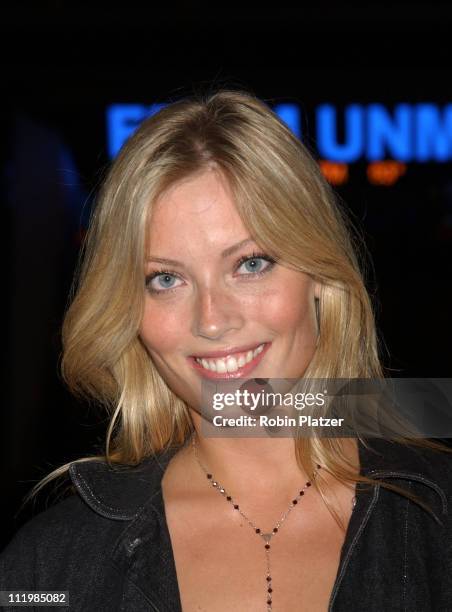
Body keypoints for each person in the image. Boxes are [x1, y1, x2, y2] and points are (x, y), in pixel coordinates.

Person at [1, 89, 451, 612]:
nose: (212, 320)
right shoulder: (50, 570)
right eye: (166, 279)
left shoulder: (437, 520)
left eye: (250, 264)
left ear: (320, 277)